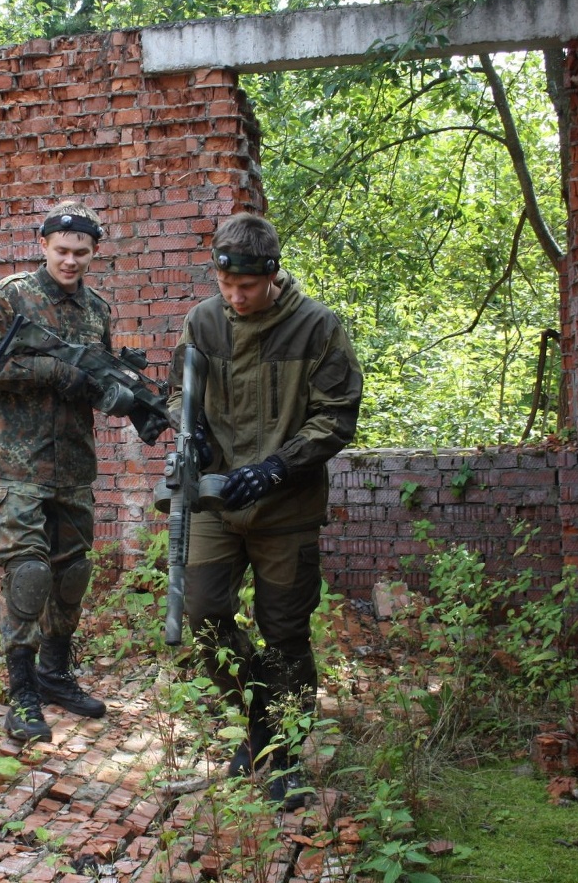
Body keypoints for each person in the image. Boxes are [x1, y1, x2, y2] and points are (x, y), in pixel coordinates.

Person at [169, 211, 363, 809]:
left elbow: (338, 415)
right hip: (214, 503)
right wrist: (195, 437)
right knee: (202, 618)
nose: (234, 296)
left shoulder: (317, 328)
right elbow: (187, 397)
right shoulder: (203, 322)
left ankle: (281, 753)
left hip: (287, 506)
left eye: (246, 286)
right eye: (226, 284)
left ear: (272, 273)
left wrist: (277, 467)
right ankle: (259, 721)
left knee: (284, 634)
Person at [0, 201, 146, 743]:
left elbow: (97, 378)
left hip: (73, 467)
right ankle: (21, 695)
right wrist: (53, 371)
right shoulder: (12, 295)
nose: (70, 261)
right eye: (62, 251)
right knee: (27, 576)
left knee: (70, 576)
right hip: (16, 466)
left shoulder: (96, 309)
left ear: (94, 253)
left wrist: (118, 394)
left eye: (81, 253)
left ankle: (55, 676)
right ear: (44, 245)